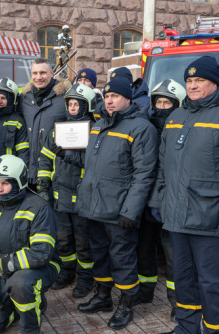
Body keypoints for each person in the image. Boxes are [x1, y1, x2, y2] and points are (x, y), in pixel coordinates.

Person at [154, 56, 219, 334]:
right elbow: (164, 166)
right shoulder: (177, 116)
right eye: (188, 81)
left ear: (214, 82)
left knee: (212, 284)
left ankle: (217, 330)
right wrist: (159, 200)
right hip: (177, 218)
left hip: (211, 220)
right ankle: (187, 328)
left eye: (199, 80)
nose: (192, 86)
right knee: (183, 279)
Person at [76, 78, 158, 330]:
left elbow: (145, 174)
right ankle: (103, 296)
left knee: (122, 258)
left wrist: (131, 210)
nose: (109, 100)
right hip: (93, 208)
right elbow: (93, 166)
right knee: (99, 255)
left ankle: (126, 303)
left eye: (115, 96)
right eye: (107, 96)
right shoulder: (98, 124)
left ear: (128, 99)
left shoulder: (141, 128)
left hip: (119, 210)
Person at [0, 155, 60, 334]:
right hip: (6, 272)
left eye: (4, 184)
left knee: (21, 284)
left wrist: (0, 266)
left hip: (41, 268)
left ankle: (30, 328)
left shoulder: (39, 207)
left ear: (19, 181)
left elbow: (41, 253)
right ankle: (17, 308)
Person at [134, 79, 186, 322]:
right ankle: (145, 292)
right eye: (159, 101)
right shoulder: (144, 127)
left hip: (170, 204)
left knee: (174, 256)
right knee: (144, 251)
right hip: (146, 202)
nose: (162, 106)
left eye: (168, 102)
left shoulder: (186, 129)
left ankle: (178, 303)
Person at [37, 83, 97, 298]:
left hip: (82, 197)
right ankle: (67, 272)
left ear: (88, 105)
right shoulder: (57, 130)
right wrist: (43, 185)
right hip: (60, 196)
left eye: (77, 104)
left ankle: (85, 279)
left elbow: (92, 163)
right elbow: (45, 159)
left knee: (83, 243)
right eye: (70, 104)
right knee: (64, 240)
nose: (72, 108)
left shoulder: (95, 130)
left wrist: (67, 155)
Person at [18, 58, 71, 189]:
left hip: (54, 172)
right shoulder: (24, 99)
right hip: (28, 172)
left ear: (52, 73)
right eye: (35, 73)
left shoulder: (65, 98)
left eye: (43, 73)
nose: (38, 77)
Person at [0, 77, 29, 163]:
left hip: (8, 171)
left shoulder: (18, 122)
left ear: (11, 100)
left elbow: (23, 152)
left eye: (3, 98)